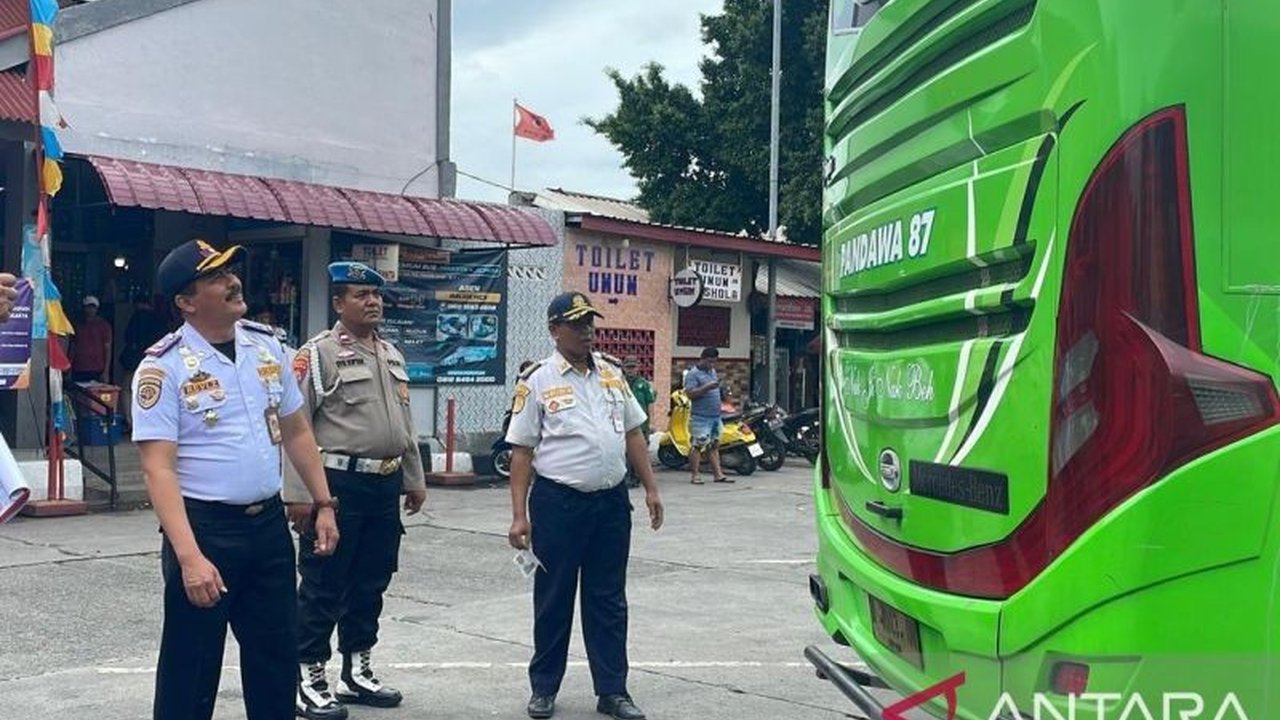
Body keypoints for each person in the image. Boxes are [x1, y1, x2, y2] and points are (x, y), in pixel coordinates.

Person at [131, 239, 340, 720]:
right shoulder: (162, 367)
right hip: (206, 532)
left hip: (266, 528)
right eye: (215, 277)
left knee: (275, 658)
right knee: (192, 667)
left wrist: (323, 503)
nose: (232, 281)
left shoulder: (267, 347)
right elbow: (158, 468)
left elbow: (297, 430)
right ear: (185, 302)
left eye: (230, 271)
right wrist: (190, 559)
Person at [506, 291, 664, 720]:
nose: (587, 331)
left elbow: (634, 433)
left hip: (611, 504)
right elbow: (521, 451)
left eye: (589, 322)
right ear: (554, 330)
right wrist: (519, 515)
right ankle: (543, 689)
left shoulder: (612, 374)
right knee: (554, 597)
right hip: (559, 504)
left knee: (608, 599)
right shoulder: (537, 380)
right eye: (576, 324)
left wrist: (650, 488)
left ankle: (612, 691)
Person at [285, 261, 427, 719]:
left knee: (371, 581)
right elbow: (295, 427)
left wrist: (413, 477)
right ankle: (310, 676)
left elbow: (403, 423)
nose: (372, 302)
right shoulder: (318, 355)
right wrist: (301, 495)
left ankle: (357, 668)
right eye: (361, 295)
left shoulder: (390, 354)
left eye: (376, 295)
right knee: (324, 584)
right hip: (337, 484)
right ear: (338, 303)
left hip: (383, 485)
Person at [682, 347, 730, 484]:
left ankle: (718, 474)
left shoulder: (712, 372)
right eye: (709, 362)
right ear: (702, 359)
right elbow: (690, 394)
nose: (711, 365)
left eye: (714, 362)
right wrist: (706, 387)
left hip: (715, 416)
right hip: (700, 417)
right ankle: (695, 475)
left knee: (714, 445)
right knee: (697, 445)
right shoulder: (693, 374)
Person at [620, 357, 656, 489]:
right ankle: (627, 477)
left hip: (642, 424)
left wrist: (651, 422)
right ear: (623, 368)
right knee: (625, 451)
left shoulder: (644, 384)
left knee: (640, 451)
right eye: (628, 367)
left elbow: (650, 403)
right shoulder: (620, 382)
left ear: (638, 367)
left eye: (633, 367)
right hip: (623, 423)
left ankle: (636, 476)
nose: (630, 370)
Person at [70, 295, 112, 383]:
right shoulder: (77, 325)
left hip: (97, 368)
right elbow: (73, 347)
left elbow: (107, 349)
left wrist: (106, 371)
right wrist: (69, 367)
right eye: (88, 307)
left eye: (93, 307)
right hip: (79, 367)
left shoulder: (104, 325)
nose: (90, 310)